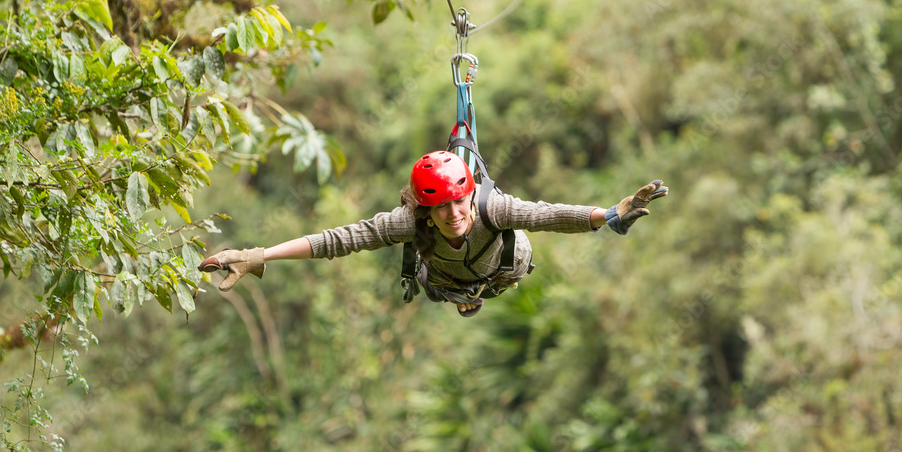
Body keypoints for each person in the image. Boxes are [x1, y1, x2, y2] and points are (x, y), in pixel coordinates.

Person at [198, 151, 668, 317]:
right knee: (430, 281)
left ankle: (476, 293)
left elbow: (548, 214)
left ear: (469, 196)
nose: (452, 216)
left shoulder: (492, 209)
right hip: (446, 281)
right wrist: (258, 254)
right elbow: (336, 241)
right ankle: (462, 295)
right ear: (426, 208)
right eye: (439, 209)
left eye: (457, 204)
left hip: (503, 270)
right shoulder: (410, 222)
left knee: (521, 242)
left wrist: (609, 214)